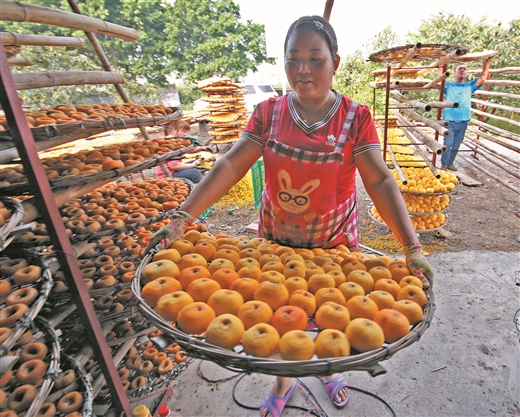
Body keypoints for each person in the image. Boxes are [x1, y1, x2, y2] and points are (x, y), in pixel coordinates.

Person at [147, 16, 434, 417]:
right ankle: (284, 382)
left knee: (330, 313)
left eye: (315, 59)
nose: (303, 69)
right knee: (283, 314)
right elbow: (231, 164)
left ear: (335, 61)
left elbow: (380, 181)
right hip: (276, 244)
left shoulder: (356, 117)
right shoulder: (269, 113)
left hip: (333, 244)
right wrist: (183, 215)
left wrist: (411, 245)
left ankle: (331, 368)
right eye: (293, 58)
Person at [441, 55, 494, 171]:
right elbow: (439, 77)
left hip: (463, 120)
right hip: (449, 120)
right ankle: (444, 164)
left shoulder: (470, 86)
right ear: (454, 73)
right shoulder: (448, 86)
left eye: (464, 69)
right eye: (459, 69)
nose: (462, 70)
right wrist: (443, 60)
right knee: (448, 143)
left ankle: (450, 163)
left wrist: (487, 61)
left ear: (466, 73)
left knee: (456, 145)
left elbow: (484, 77)